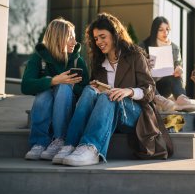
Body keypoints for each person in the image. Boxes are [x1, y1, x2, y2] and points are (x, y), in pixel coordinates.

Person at [52, 12, 172, 166]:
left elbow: (149, 90)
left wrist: (129, 91)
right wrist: (95, 88)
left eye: (103, 37)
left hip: (134, 114)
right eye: (96, 39)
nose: (99, 42)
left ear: (115, 35)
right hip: (107, 113)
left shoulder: (135, 55)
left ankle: (92, 148)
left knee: (108, 96)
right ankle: (70, 145)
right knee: (90, 91)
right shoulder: (99, 62)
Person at [22, 18, 89, 160]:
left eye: (75, 38)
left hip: (66, 112)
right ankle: (39, 143)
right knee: (44, 93)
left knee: (64, 88)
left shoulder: (77, 60)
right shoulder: (38, 58)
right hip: (44, 109)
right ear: (58, 37)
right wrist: (53, 81)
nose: (74, 42)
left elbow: (86, 91)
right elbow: (26, 86)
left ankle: (60, 139)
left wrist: (71, 85)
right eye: (70, 37)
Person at [140, 16, 195, 112]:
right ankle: (161, 102)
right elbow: (137, 68)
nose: (165, 33)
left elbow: (178, 63)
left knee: (174, 75)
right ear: (154, 31)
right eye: (161, 30)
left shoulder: (174, 47)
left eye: (167, 29)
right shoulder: (143, 45)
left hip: (165, 85)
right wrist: (146, 64)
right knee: (145, 76)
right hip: (149, 86)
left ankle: (182, 100)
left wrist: (179, 68)